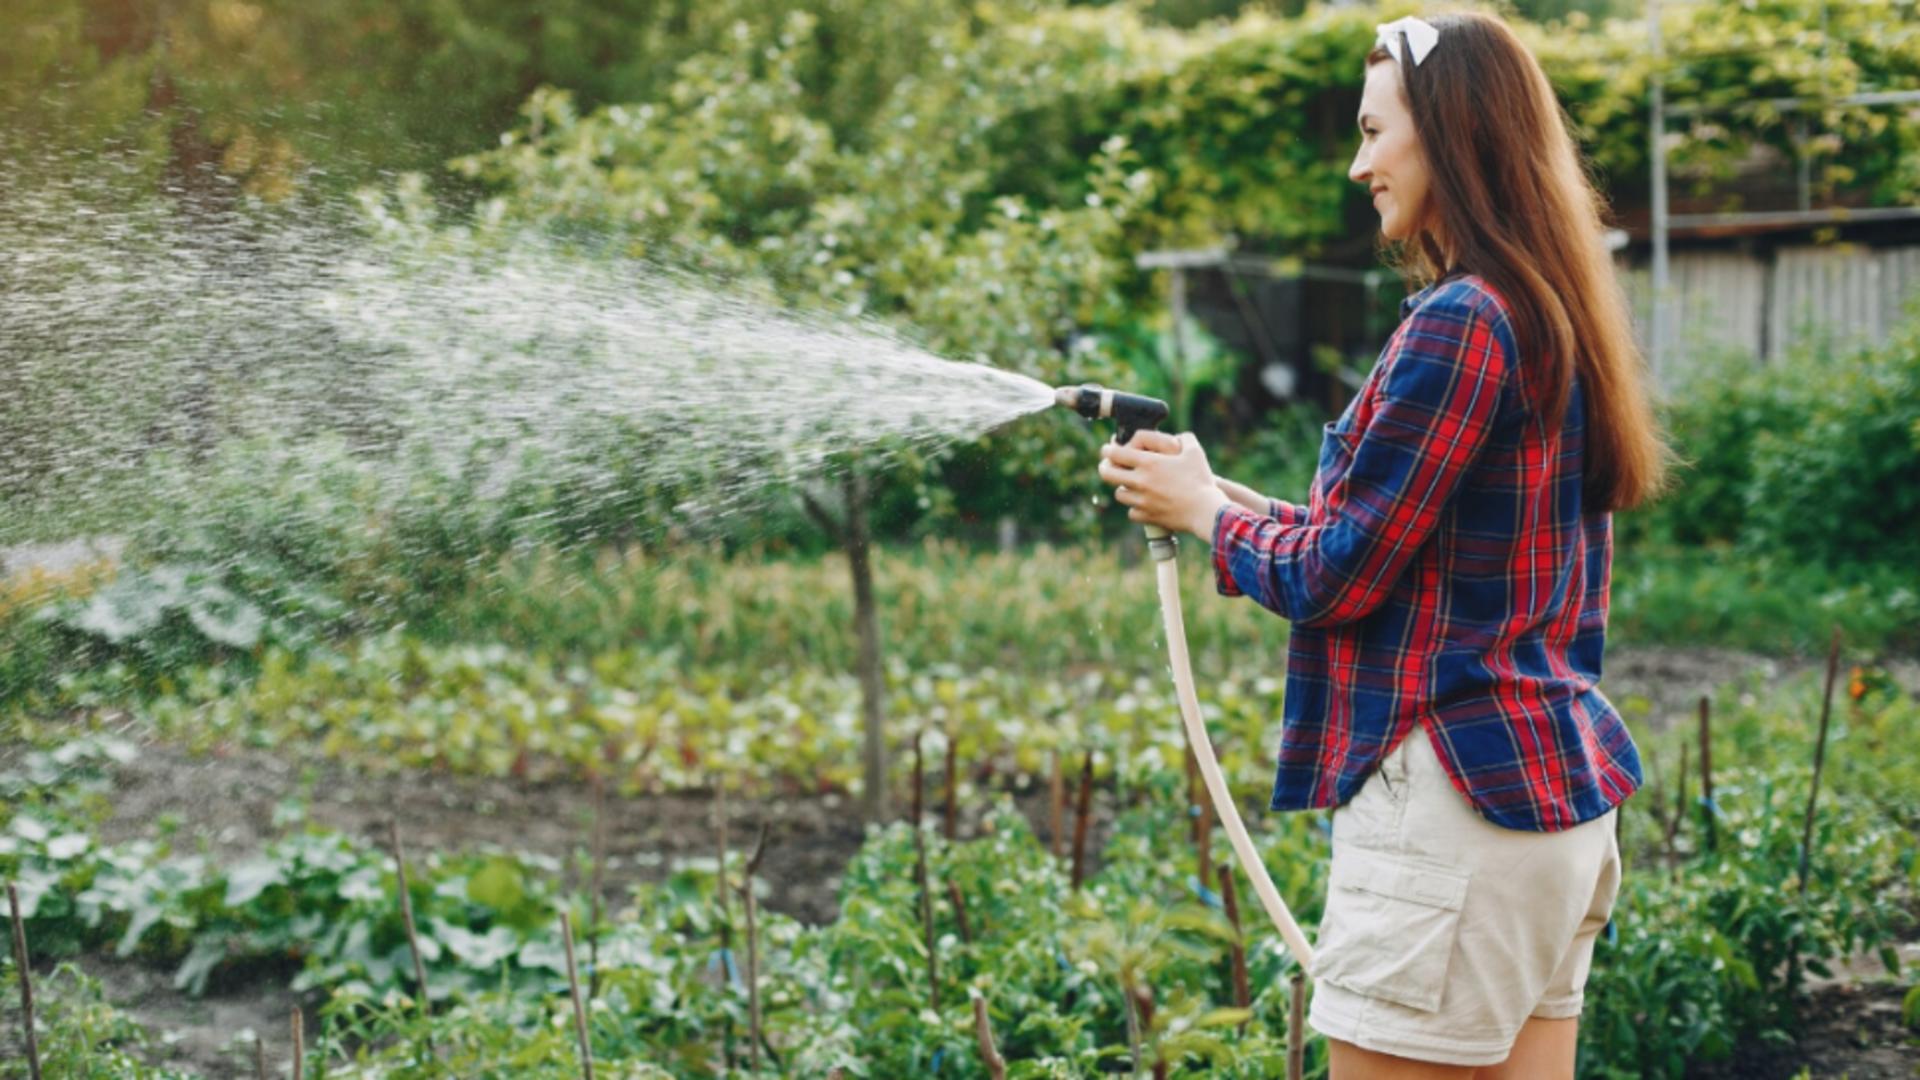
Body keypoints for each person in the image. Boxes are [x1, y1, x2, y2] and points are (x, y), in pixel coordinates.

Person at [1095, 11, 1677, 1079]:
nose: (1361, 164)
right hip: (1548, 819)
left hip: (1454, 825)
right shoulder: (1546, 309)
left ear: (1453, 132)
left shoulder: (1458, 321)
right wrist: (1216, 496)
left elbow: (1336, 577)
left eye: (1375, 131)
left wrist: (1209, 522)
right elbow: (1397, 547)